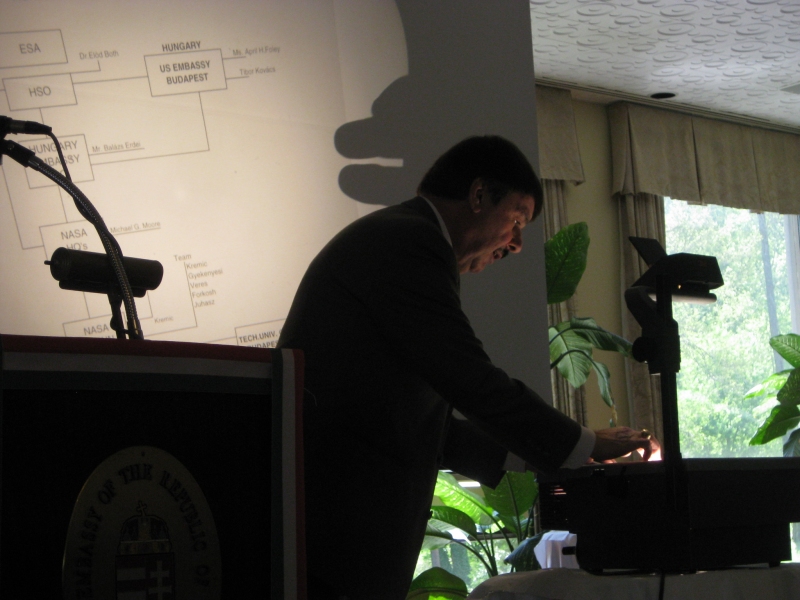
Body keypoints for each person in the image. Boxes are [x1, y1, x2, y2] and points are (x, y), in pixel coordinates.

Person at [277, 135, 656, 599]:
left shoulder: (399, 237)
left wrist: (542, 453)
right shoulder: (411, 242)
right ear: (478, 196)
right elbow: (471, 380)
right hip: (337, 535)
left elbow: (424, 425)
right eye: (517, 219)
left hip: (336, 537)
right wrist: (583, 444)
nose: (517, 244)